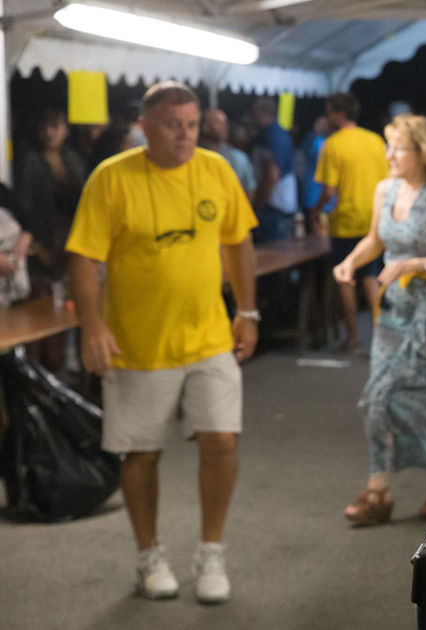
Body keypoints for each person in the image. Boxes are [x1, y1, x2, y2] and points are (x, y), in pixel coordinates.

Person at [66, 81, 259, 605]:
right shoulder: (112, 178)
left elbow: (239, 242)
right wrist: (92, 327)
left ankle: (211, 551)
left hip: (209, 337)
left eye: (192, 124)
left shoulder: (216, 170)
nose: (185, 135)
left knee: (222, 440)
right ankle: (149, 555)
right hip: (137, 343)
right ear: (144, 126)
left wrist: (247, 311)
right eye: (173, 125)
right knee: (141, 453)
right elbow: (83, 255)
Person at [332, 114, 426, 526]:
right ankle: (378, 488)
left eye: (397, 147)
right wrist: (350, 262)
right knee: (379, 393)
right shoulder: (384, 189)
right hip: (396, 310)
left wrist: (410, 264)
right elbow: (376, 238)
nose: (389, 155)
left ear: (422, 153)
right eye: (388, 146)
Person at [312, 93, 391, 353]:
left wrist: (315, 211)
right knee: (371, 277)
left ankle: (353, 339)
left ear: (338, 113)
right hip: (374, 220)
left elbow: (329, 191)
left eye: (329, 111)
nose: (327, 117)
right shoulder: (375, 141)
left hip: (345, 222)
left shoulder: (332, 145)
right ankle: (380, 340)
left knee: (346, 278)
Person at [13, 107, 88, 291]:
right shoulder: (30, 160)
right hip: (43, 238)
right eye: (43, 128)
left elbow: (86, 199)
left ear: (65, 130)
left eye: (54, 126)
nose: (48, 132)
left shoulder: (74, 160)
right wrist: (37, 245)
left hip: (73, 236)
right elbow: (25, 206)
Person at [249, 97, 299, 242]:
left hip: (273, 206)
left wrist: (259, 203)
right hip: (283, 204)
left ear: (263, 113)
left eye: (254, 113)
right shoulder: (281, 133)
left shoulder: (270, 136)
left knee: (273, 254)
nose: (251, 118)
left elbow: (272, 174)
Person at [200, 108, 257, 198]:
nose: (225, 127)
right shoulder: (192, 156)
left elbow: (249, 189)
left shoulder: (239, 158)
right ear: (204, 126)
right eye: (218, 123)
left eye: (225, 123)